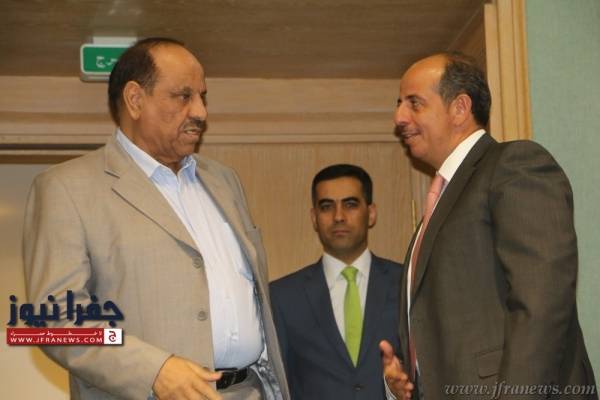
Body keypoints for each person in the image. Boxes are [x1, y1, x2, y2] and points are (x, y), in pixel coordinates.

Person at [23, 37, 289, 400]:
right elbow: (55, 321)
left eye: (202, 97)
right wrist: (153, 370)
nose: (201, 112)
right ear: (135, 99)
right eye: (183, 96)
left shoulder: (224, 181)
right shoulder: (66, 188)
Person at [381, 52, 597, 400]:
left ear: (460, 108)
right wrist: (407, 382)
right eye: (399, 105)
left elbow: (541, 303)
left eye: (414, 103)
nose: (399, 118)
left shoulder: (514, 165)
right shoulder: (438, 207)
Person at [270, 164, 403, 399]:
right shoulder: (283, 297)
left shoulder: (406, 284)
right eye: (326, 206)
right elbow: (277, 385)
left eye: (350, 204)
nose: (338, 216)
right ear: (314, 218)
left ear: (371, 213)